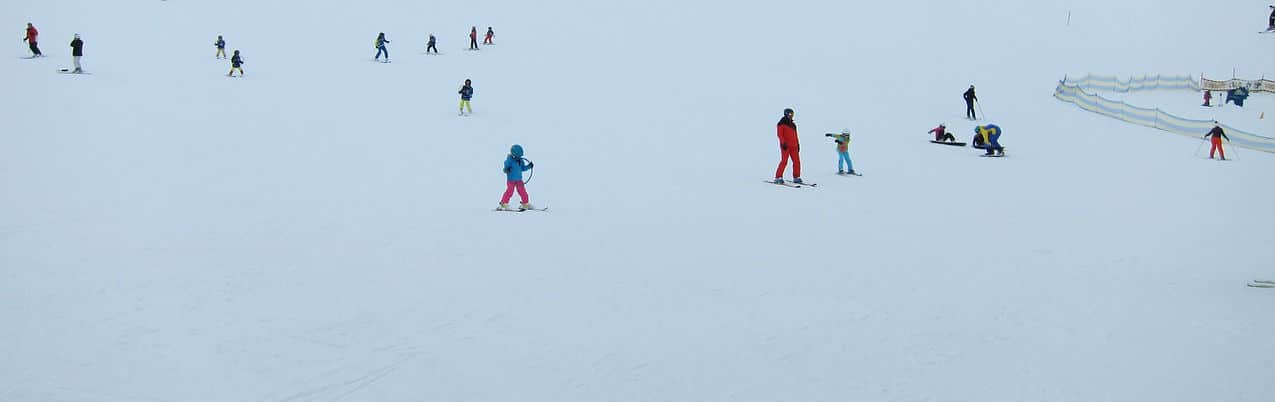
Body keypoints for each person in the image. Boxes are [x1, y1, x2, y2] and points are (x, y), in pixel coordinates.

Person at [498, 144, 535, 211]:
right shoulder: (509, 161)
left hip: (519, 180)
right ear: (514, 155)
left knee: (523, 191)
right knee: (509, 191)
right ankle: (503, 203)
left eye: (520, 156)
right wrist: (507, 169)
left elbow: (523, 168)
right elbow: (505, 169)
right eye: (518, 156)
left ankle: (525, 203)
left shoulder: (520, 161)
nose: (519, 157)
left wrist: (529, 166)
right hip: (511, 180)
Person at [773, 108, 802, 184]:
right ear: (786, 114)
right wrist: (783, 143)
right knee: (784, 161)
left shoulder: (793, 125)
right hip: (786, 146)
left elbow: (796, 135)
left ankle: (796, 177)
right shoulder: (781, 123)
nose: (791, 115)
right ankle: (778, 177)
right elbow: (780, 134)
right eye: (790, 114)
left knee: (797, 162)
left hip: (794, 146)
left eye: (792, 114)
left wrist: (798, 144)